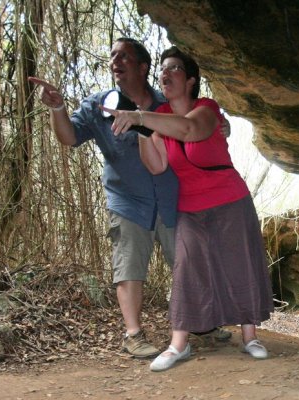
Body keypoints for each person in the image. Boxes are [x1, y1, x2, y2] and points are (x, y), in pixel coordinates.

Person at [28, 38, 231, 359]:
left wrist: (222, 125)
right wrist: (57, 107)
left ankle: (203, 323)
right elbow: (68, 137)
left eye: (124, 56)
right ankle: (134, 335)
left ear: (143, 66)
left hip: (171, 198)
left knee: (187, 262)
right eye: (112, 56)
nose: (115, 61)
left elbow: (195, 125)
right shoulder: (99, 106)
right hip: (127, 201)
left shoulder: (167, 101)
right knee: (129, 266)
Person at [102, 46, 274, 371]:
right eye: (162, 69)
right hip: (190, 207)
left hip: (229, 201)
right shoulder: (159, 114)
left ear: (191, 80)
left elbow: (190, 129)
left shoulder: (207, 108)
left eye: (174, 68)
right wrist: (141, 130)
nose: (165, 74)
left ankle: (250, 336)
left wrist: (141, 117)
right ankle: (178, 344)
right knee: (186, 270)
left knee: (239, 265)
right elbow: (156, 165)